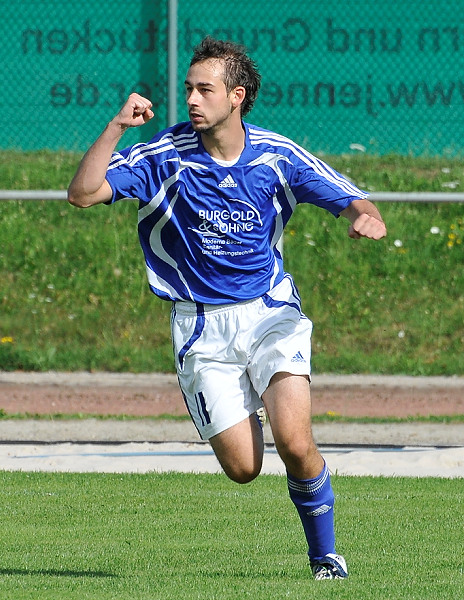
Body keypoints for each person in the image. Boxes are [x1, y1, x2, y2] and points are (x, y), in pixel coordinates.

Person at [68, 36, 386, 580]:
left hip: (270, 314)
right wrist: (118, 126)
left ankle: (326, 557)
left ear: (236, 96)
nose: (192, 99)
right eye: (188, 88)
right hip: (201, 328)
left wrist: (364, 216)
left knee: (295, 442)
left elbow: (352, 197)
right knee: (244, 468)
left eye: (205, 89)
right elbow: (83, 193)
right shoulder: (165, 155)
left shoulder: (276, 155)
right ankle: (247, 397)